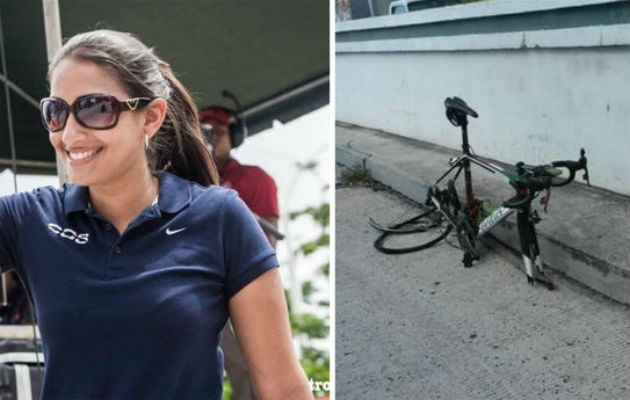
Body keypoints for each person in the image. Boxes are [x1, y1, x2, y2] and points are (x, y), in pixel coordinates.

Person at [0, 29, 312, 400]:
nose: (69, 134)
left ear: (150, 118)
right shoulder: (28, 217)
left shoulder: (220, 217)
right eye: (57, 112)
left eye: (95, 108)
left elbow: (284, 389)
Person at [199, 106, 280, 399]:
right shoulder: (176, 181)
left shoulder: (255, 179)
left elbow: (266, 243)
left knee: (251, 368)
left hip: (234, 287)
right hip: (190, 287)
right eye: (202, 132)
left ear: (234, 136)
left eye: (216, 132)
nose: (209, 138)